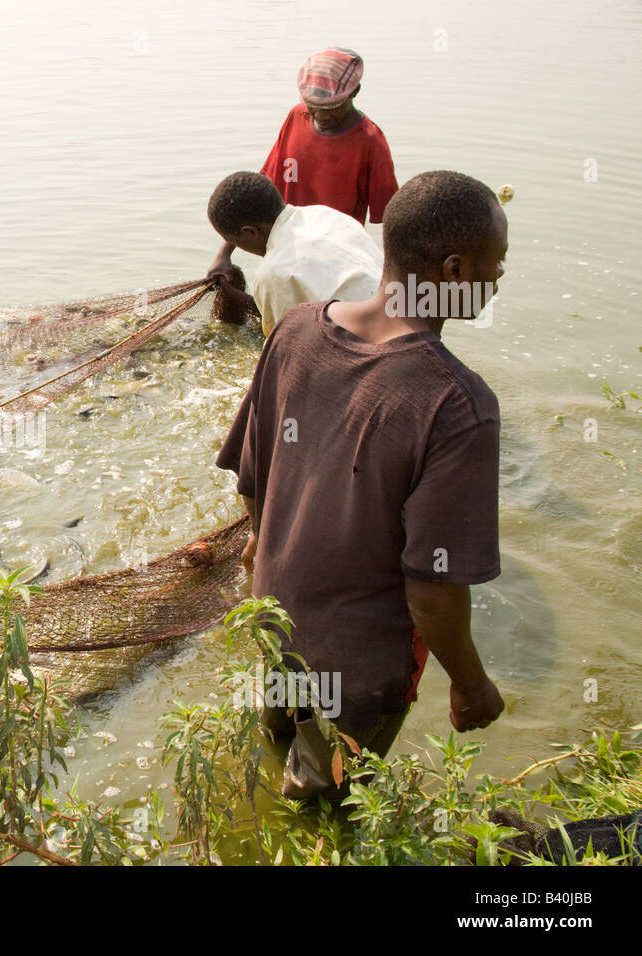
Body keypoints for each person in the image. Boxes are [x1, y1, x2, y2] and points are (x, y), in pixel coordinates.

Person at [214, 170, 508, 801]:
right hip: (359, 660)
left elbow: (252, 474)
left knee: (276, 735)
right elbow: (432, 591)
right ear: (455, 272)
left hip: (277, 608)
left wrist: (264, 541)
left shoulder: (294, 328)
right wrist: (472, 683)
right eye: (497, 263)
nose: (501, 277)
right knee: (321, 803)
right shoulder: (456, 405)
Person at [208, 46, 398, 285]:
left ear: (355, 92)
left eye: (331, 107)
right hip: (283, 256)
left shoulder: (370, 142)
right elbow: (259, 190)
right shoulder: (296, 118)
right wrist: (223, 254)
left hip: (335, 266)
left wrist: (389, 278)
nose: (321, 115)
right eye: (313, 106)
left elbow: (393, 220)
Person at [207, 171, 382, 336]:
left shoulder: (273, 272)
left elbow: (285, 345)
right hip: (401, 315)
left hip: (374, 348)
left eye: (236, 241)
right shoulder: (327, 214)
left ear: (250, 233)